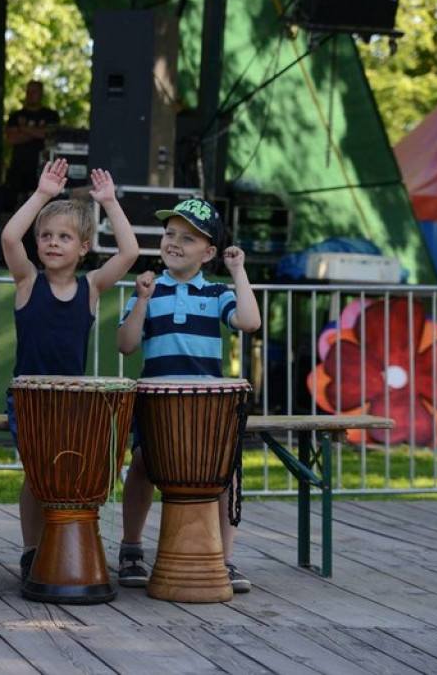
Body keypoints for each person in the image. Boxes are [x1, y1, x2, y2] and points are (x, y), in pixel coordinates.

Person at [0, 158, 139, 582]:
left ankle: (69, 543)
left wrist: (110, 202)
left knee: (70, 472)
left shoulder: (92, 287)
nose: (52, 243)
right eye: (45, 236)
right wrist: (42, 195)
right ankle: (31, 550)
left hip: (74, 397)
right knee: (37, 474)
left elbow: (130, 251)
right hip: (29, 396)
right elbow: (9, 235)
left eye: (64, 237)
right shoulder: (27, 281)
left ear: (83, 247)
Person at [116, 198, 261, 593]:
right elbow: (125, 345)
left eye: (188, 238)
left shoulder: (216, 293)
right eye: (169, 234)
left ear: (209, 252)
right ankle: (131, 548)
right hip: (157, 402)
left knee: (223, 474)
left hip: (206, 407)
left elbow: (249, 321)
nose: (174, 242)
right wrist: (142, 301)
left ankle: (223, 559)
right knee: (144, 465)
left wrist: (238, 271)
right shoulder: (148, 288)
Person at [4, 80, 60, 207]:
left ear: (41, 93)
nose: (30, 94)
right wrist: (36, 133)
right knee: (13, 204)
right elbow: (10, 139)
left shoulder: (50, 115)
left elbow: (49, 135)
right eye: (28, 91)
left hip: (42, 169)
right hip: (18, 170)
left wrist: (23, 129)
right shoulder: (16, 116)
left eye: (34, 91)